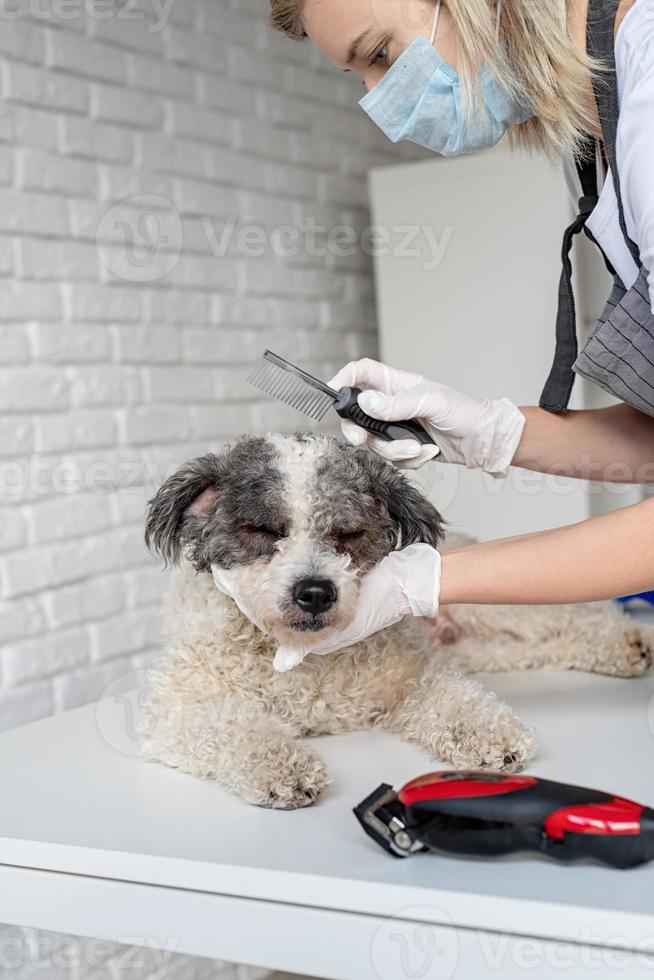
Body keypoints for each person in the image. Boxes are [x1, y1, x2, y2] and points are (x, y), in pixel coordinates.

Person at [264, 0, 654, 664]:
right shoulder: (600, 142)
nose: (381, 109)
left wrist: (425, 581)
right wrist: (491, 432)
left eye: (380, 54)